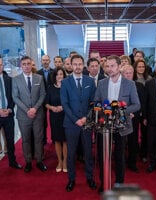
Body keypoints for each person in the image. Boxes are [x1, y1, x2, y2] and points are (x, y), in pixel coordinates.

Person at [94, 55, 140, 192]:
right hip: (104, 125)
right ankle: (104, 183)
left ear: (119, 66)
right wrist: (102, 110)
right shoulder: (101, 83)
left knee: (119, 156)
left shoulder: (130, 84)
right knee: (103, 156)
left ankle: (119, 184)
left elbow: (137, 105)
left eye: (112, 66)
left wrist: (121, 110)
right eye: (107, 66)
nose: (109, 69)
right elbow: (96, 101)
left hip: (121, 125)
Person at [60, 54, 97, 192]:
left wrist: (86, 118)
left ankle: (90, 177)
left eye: (79, 64)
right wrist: (76, 119)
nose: (77, 67)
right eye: (74, 64)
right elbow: (65, 104)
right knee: (71, 153)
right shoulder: (65, 82)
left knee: (88, 152)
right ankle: (71, 179)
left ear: (83, 65)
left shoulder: (90, 81)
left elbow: (93, 102)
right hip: (71, 123)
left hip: (87, 122)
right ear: (70, 65)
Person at [12, 56, 47, 173]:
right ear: (21, 66)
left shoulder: (39, 78)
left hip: (38, 114)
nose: (26, 66)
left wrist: (35, 109)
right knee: (26, 139)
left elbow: (43, 95)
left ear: (32, 65)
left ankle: (39, 160)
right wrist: (27, 110)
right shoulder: (16, 79)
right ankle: (28, 161)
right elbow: (15, 97)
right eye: (24, 64)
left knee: (38, 138)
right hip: (23, 115)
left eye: (28, 64)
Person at [121, 64, 145, 173]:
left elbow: (142, 103)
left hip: (134, 116)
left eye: (130, 73)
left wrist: (134, 112)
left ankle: (132, 162)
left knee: (133, 140)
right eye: (126, 73)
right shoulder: (118, 85)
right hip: (120, 116)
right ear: (122, 74)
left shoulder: (139, 86)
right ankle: (120, 161)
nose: (128, 75)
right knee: (120, 139)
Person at [46, 68, 67, 173]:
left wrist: (63, 107)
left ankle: (65, 162)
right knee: (57, 140)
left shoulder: (68, 87)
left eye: (61, 74)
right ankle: (59, 161)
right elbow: (46, 103)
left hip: (66, 116)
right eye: (57, 74)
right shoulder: (50, 88)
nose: (60, 76)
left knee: (65, 140)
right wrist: (52, 108)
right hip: (54, 117)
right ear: (54, 76)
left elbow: (71, 101)